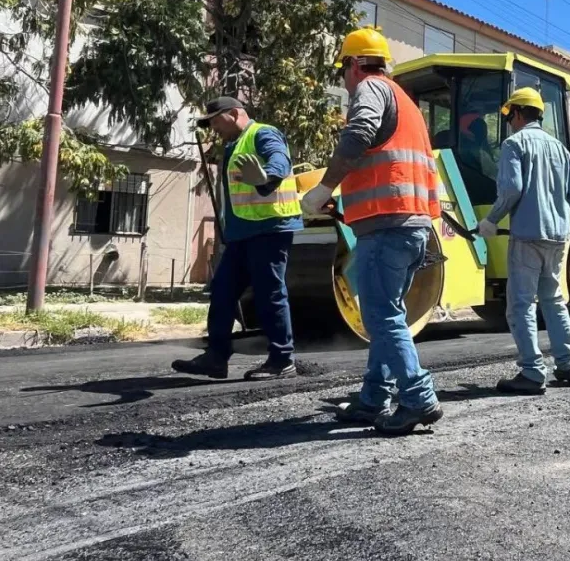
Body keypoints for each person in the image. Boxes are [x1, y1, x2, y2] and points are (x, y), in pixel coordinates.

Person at [300, 27, 443, 436]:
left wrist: (325, 187)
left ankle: (417, 398)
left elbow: (359, 133)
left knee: (381, 316)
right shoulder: (406, 102)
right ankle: (374, 397)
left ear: (354, 64)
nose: (345, 81)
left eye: (342, 70)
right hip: (411, 224)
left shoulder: (371, 88)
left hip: (388, 226)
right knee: (388, 314)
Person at [172, 97, 302, 380]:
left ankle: (282, 360)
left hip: (269, 229)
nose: (214, 128)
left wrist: (267, 176)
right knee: (222, 291)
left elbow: (279, 160)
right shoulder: (233, 145)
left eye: (215, 121)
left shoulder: (263, 133)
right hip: (242, 234)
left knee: (269, 293)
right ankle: (216, 358)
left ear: (233, 113)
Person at [476, 87, 570, 395]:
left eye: (509, 115)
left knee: (521, 305)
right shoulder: (560, 148)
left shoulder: (514, 144)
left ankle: (532, 372)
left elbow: (511, 189)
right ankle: (567, 366)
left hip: (527, 237)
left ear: (518, 113)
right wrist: (557, 213)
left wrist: (491, 220)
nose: (509, 122)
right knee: (553, 301)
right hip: (558, 237)